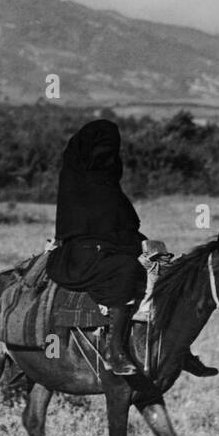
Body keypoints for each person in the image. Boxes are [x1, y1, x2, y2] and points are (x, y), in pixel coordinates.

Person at [46, 120, 147, 375]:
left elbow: (121, 220)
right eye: (101, 147)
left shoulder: (106, 179)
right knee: (126, 269)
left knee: (162, 262)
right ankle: (114, 350)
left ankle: (175, 348)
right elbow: (89, 226)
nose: (106, 154)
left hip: (108, 245)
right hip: (82, 253)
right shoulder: (78, 179)